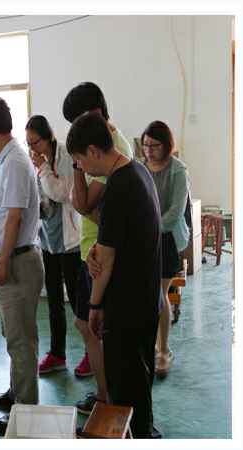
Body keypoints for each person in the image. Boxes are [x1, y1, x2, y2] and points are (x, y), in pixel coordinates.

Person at [68, 111, 161, 438]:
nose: (82, 168)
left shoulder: (119, 186)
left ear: (93, 151)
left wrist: (94, 305)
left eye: (80, 161)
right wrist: (99, 250)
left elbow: (105, 262)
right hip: (145, 299)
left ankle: (139, 436)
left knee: (126, 389)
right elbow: (122, 239)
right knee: (140, 380)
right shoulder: (139, 171)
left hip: (127, 307)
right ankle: (145, 431)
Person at [0, 98, 44, 435]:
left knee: (21, 340)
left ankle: (26, 412)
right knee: (14, 334)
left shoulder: (14, 162)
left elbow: (14, 217)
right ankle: (18, 392)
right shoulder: (9, 159)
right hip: (13, 258)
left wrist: (1, 263)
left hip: (17, 262)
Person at [63, 81, 133, 414]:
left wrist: (76, 169)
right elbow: (80, 202)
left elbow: (81, 203)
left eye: (76, 121)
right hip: (90, 248)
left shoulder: (113, 149)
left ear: (93, 114)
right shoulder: (102, 149)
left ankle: (108, 397)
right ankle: (105, 393)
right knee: (86, 324)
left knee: (94, 325)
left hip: (101, 252)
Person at [26, 115, 82, 374]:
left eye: (35, 142)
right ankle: (57, 354)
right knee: (54, 301)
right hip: (48, 240)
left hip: (70, 242)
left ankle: (92, 353)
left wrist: (43, 169)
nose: (32, 149)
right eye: (28, 143)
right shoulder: (37, 162)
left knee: (79, 301)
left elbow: (61, 193)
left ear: (48, 137)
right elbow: (41, 194)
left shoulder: (65, 156)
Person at [140, 121, 190, 377]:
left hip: (167, 238)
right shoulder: (140, 167)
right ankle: (151, 346)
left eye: (154, 146)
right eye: (145, 145)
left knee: (159, 294)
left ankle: (164, 349)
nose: (149, 150)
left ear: (166, 145)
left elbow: (175, 212)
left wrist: (149, 229)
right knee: (147, 295)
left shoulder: (178, 170)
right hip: (145, 238)